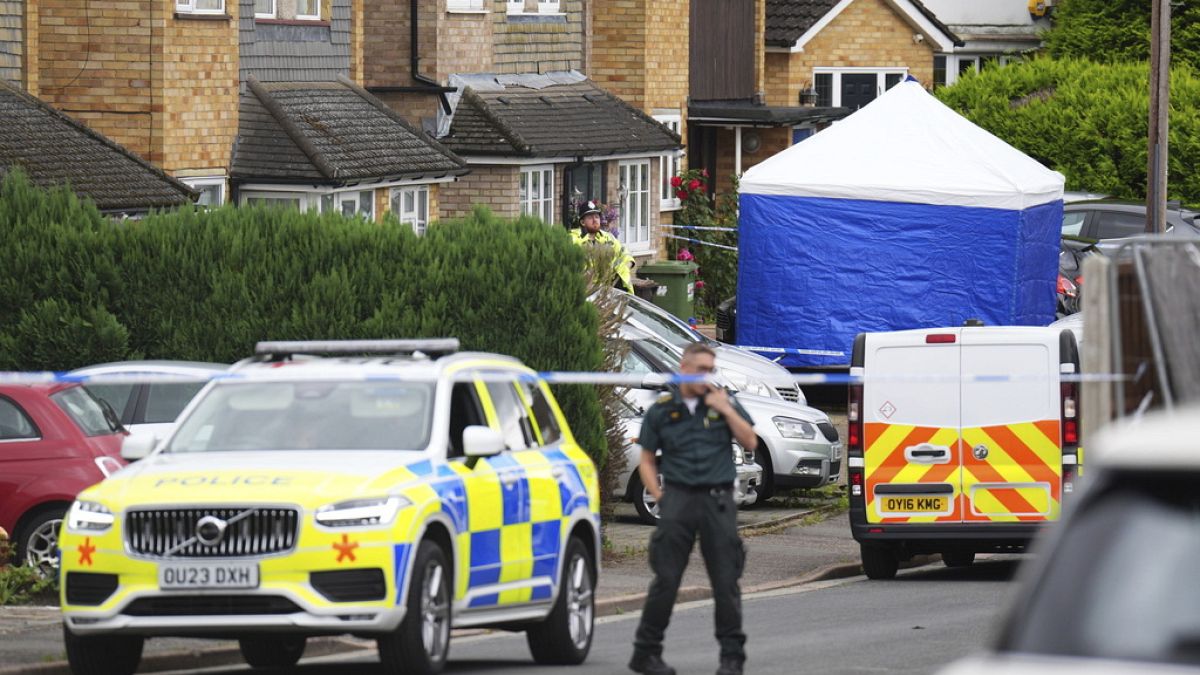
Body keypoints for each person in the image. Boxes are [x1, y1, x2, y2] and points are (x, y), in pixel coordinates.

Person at [629, 343, 758, 675]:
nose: (706, 376)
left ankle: (732, 658)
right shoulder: (662, 409)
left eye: (710, 370)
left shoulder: (721, 399)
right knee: (666, 580)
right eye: (700, 369)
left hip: (717, 501)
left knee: (726, 580)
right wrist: (659, 495)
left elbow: (750, 441)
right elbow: (646, 458)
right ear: (683, 367)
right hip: (678, 499)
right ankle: (646, 653)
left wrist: (726, 408)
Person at [570, 200, 634, 293]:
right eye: (590, 217)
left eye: (597, 217)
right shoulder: (574, 239)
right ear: (583, 222)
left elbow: (624, 253)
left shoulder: (608, 237)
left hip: (614, 290)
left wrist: (625, 266)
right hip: (587, 292)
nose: (595, 220)